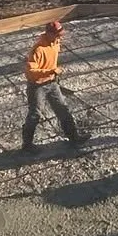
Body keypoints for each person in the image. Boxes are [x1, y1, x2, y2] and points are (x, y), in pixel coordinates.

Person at [22, 19, 83, 150]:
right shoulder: (37, 49)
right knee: (35, 114)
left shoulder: (56, 43)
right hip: (37, 85)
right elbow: (30, 72)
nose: (60, 37)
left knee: (63, 109)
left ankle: (74, 137)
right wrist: (51, 70)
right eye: (57, 35)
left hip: (52, 82)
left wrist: (53, 74)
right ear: (49, 34)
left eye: (60, 34)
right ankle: (27, 145)